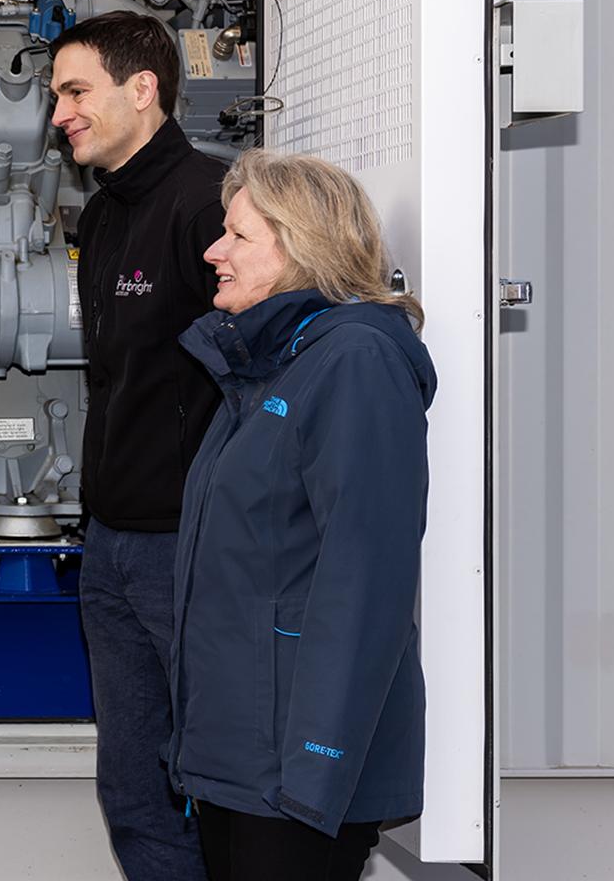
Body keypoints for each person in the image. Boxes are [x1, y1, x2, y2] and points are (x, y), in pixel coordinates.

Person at [169, 150, 435, 881]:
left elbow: (365, 579)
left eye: (238, 236)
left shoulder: (354, 363)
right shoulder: (267, 367)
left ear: (303, 247)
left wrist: (316, 769)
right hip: (238, 760)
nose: (213, 251)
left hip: (293, 776)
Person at [50, 10, 224, 880]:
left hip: (189, 552)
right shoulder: (105, 220)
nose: (60, 114)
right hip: (113, 550)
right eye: (56, 96)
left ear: (143, 88)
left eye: (76, 91)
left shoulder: (212, 205)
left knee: (221, 784)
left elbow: (259, 381)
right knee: (132, 792)